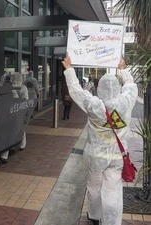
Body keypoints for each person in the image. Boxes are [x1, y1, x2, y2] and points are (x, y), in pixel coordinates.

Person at [61, 53, 138, 225]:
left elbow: (76, 91)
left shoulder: (94, 105)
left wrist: (69, 69)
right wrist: (123, 69)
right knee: (113, 191)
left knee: (94, 187)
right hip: (117, 157)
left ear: (100, 88)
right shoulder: (126, 103)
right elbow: (131, 86)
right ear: (117, 89)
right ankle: (112, 221)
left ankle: (94, 216)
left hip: (95, 156)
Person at [0, 72, 29, 163]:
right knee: (20, 128)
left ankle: (9, 149)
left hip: (9, 112)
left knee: (10, 131)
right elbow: (26, 99)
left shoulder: (9, 87)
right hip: (19, 111)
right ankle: (21, 145)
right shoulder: (23, 88)